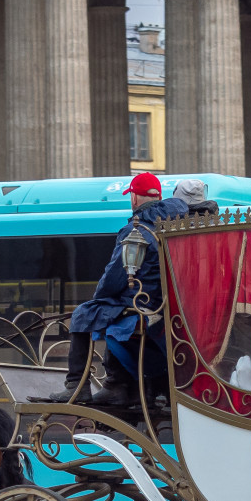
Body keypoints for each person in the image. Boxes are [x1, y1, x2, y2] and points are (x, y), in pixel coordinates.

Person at [44, 172, 189, 405]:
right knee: (106, 316)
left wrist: (97, 299)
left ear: (134, 198)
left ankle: (77, 386)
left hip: (139, 304)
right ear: (158, 196)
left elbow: (114, 277)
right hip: (162, 304)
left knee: (83, 314)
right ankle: (116, 384)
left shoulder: (137, 229)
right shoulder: (171, 225)